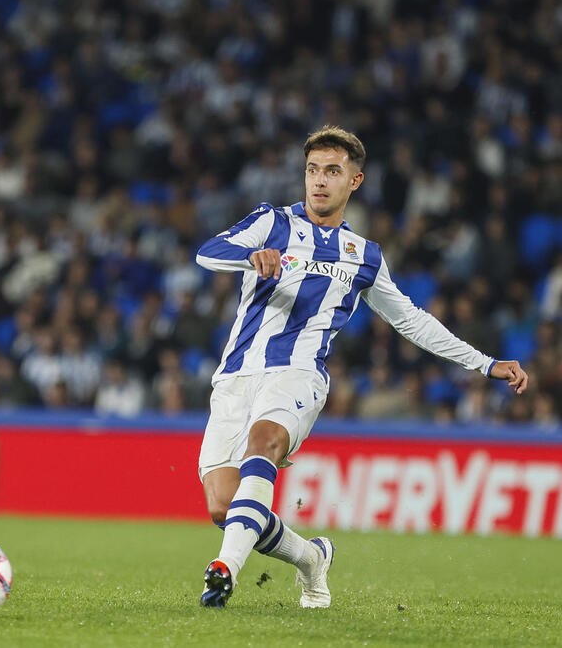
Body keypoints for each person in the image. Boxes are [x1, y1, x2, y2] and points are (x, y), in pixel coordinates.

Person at [193, 126, 529, 608]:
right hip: (234, 379)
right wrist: (251, 255)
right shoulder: (272, 223)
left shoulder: (364, 257)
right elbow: (207, 252)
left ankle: (222, 572)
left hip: (299, 374)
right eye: (312, 170)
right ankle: (311, 559)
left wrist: (485, 363)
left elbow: (411, 320)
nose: (319, 181)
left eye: (332, 171)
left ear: (355, 180)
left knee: (263, 443)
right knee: (224, 506)